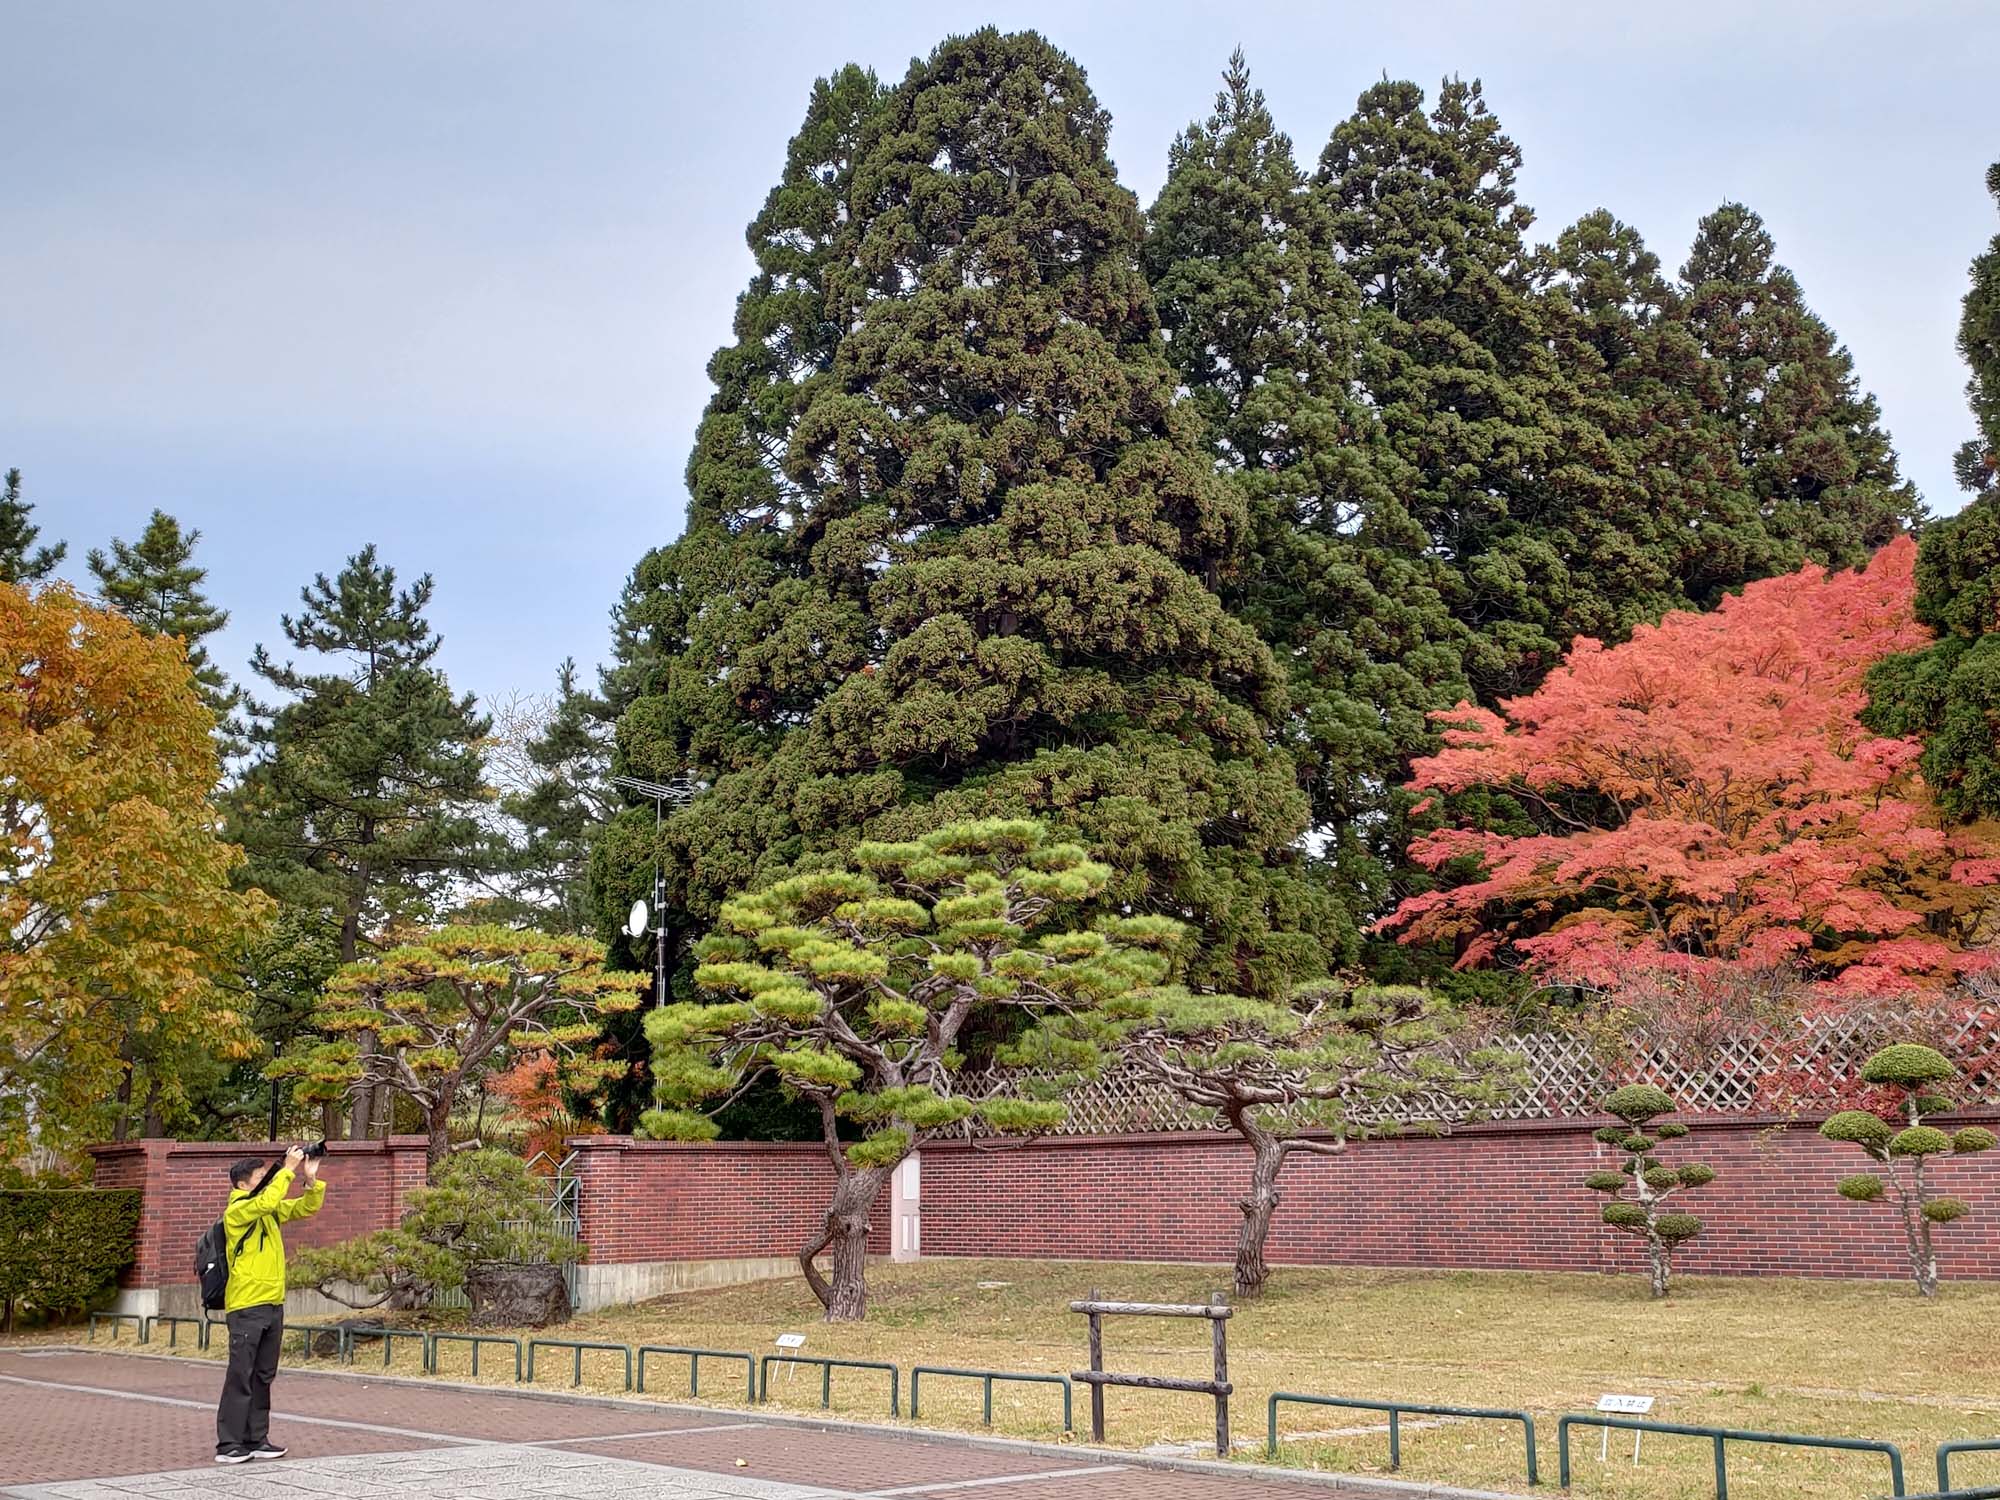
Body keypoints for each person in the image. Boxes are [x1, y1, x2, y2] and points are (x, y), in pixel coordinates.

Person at [214, 1144, 325, 1464]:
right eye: (260, 1177)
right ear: (242, 1184)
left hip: (272, 1302)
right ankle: (229, 1444)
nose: (266, 1181)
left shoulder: (267, 1207)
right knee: (241, 1374)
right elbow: (267, 1200)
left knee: (263, 1375)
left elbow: (305, 1208)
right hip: (247, 1304)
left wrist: (311, 1180)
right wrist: (286, 1170)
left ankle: (256, 1438)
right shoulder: (237, 1210)